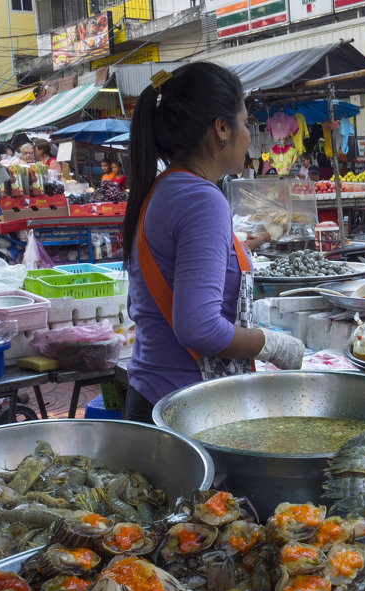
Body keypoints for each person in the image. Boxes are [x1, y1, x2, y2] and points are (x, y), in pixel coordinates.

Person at [121, 64, 304, 423]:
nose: (250, 137)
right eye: (246, 123)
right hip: (184, 409)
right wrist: (271, 343)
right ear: (222, 128)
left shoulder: (165, 189)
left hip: (152, 396)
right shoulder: (201, 198)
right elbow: (198, 328)